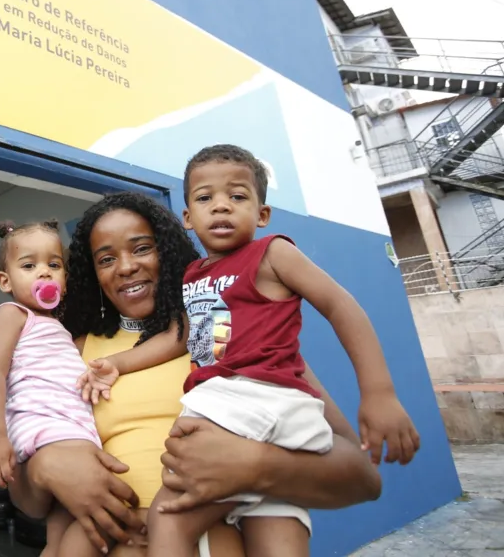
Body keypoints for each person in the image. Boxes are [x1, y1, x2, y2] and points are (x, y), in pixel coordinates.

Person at [4, 191, 382, 557]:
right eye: (105, 259)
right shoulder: (74, 351)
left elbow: (362, 478)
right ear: (92, 274)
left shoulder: (228, 334)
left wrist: (256, 465)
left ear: (167, 252)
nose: (126, 267)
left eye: (142, 248)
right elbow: (30, 504)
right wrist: (43, 468)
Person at [145, 144, 419, 557]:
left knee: (167, 517)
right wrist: (113, 364)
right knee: (278, 533)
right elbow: (188, 336)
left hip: (246, 398)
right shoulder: (195, 275)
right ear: (187, 218)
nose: (220, 207)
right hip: (263, 412)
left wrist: (378, 393)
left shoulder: (272, 252)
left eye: (237, 196)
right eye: (205, 198)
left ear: (262, 214)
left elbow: (340, 304)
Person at [0, 220, 187, 557]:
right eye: (106, 259)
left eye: (54, 264)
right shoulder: (71, 340)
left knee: (65, 531)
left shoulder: (208, 333)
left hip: (185, 526)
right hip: (53, 439)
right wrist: (12, 446)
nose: (127, 267)